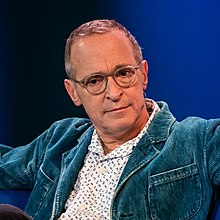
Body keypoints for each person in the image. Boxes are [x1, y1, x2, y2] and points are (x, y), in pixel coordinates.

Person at [0, 19, 220, 220]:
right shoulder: (60, 139)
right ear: (73, 92)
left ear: (143, 74)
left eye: (123, 74)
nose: (114, 93)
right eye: (95, 81)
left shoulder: (199, 140)